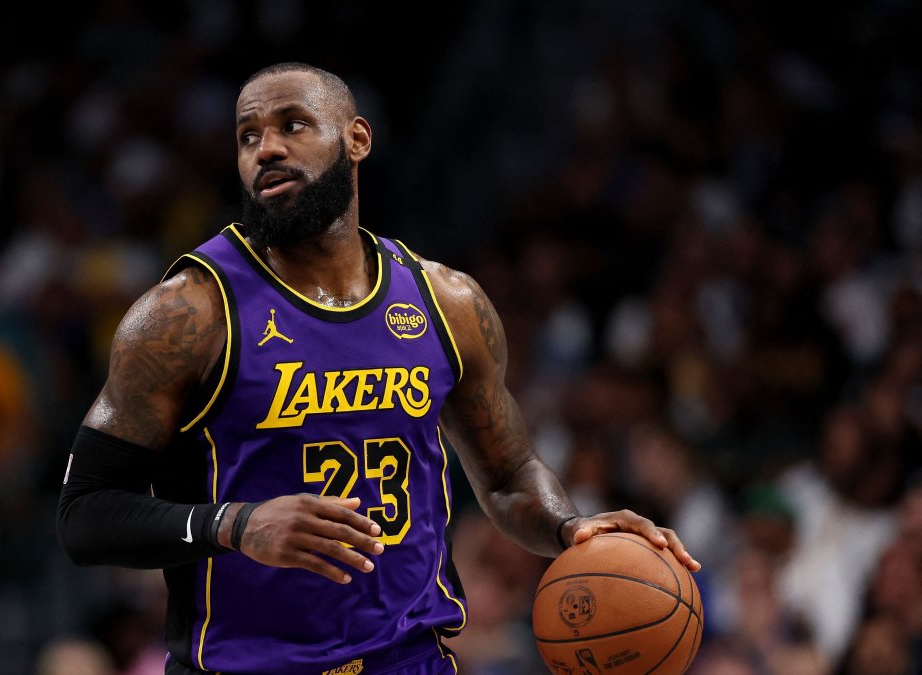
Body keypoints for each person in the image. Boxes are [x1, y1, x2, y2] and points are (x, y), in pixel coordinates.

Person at [57, 62, 700, 675]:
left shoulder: (445, 302)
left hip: (410, 660)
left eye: (292, 125)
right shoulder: (189, 315)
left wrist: (568, 526)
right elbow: (85, 514)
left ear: (356, 139)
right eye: (248, 136)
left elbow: (507, 475)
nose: (267, 149)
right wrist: (237, 524)